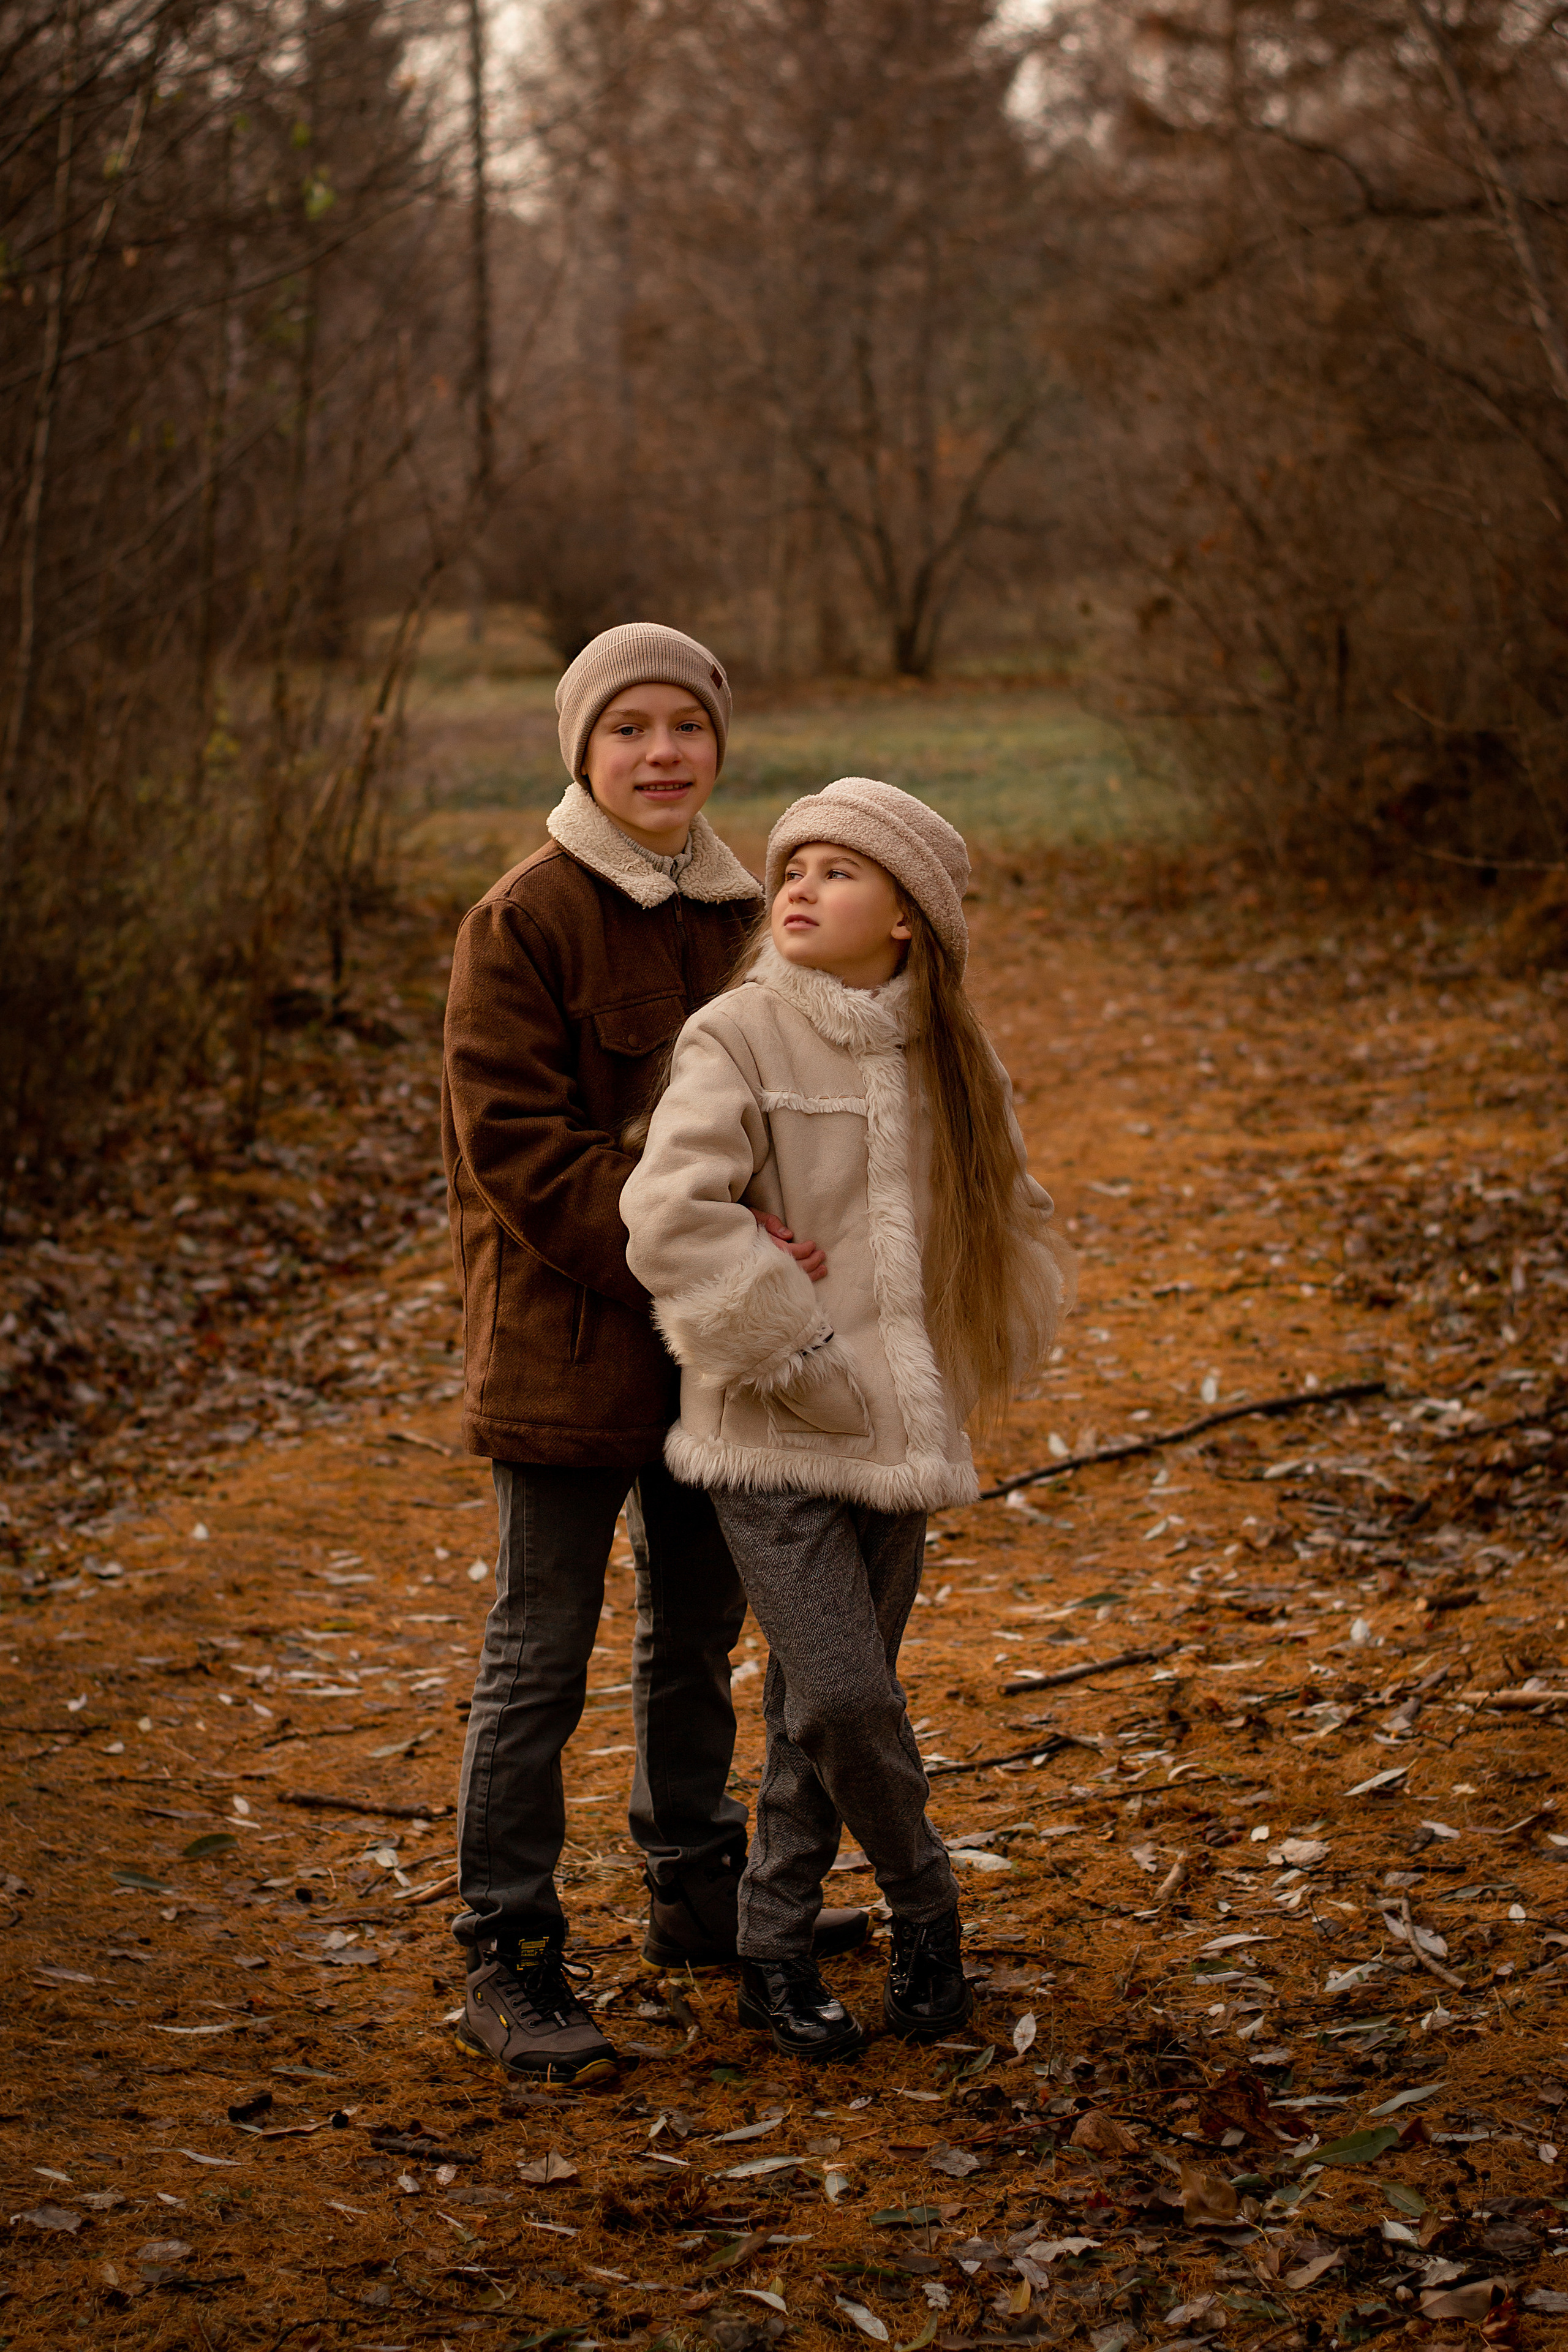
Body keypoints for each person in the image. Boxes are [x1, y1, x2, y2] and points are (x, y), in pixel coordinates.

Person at [440, 624, 867, 2087]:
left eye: (684, 725)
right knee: (536, 1653)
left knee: (694, 1635)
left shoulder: (762, 910)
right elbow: (521, 1154)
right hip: (567, 1350)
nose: (660, 753)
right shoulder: (525, 918)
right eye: (627, 728)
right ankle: (507, 1943)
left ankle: (694, 1886)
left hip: (719, 1363)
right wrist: (712, 1261)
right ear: (581, 750)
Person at [620, 777, 1071, 2060]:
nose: (800, 889)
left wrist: (946, 1363)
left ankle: (771, 1946)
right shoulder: (739, 1034)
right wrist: (793, 1347)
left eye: (838, 870)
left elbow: (1009, 1215)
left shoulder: (951, 1054)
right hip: (770, 1426)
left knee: (814, 1712)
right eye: (793, 868)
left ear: (910, 916)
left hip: (899, 1439)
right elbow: (670, 1213)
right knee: (844, 1695)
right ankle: (930, 1911)